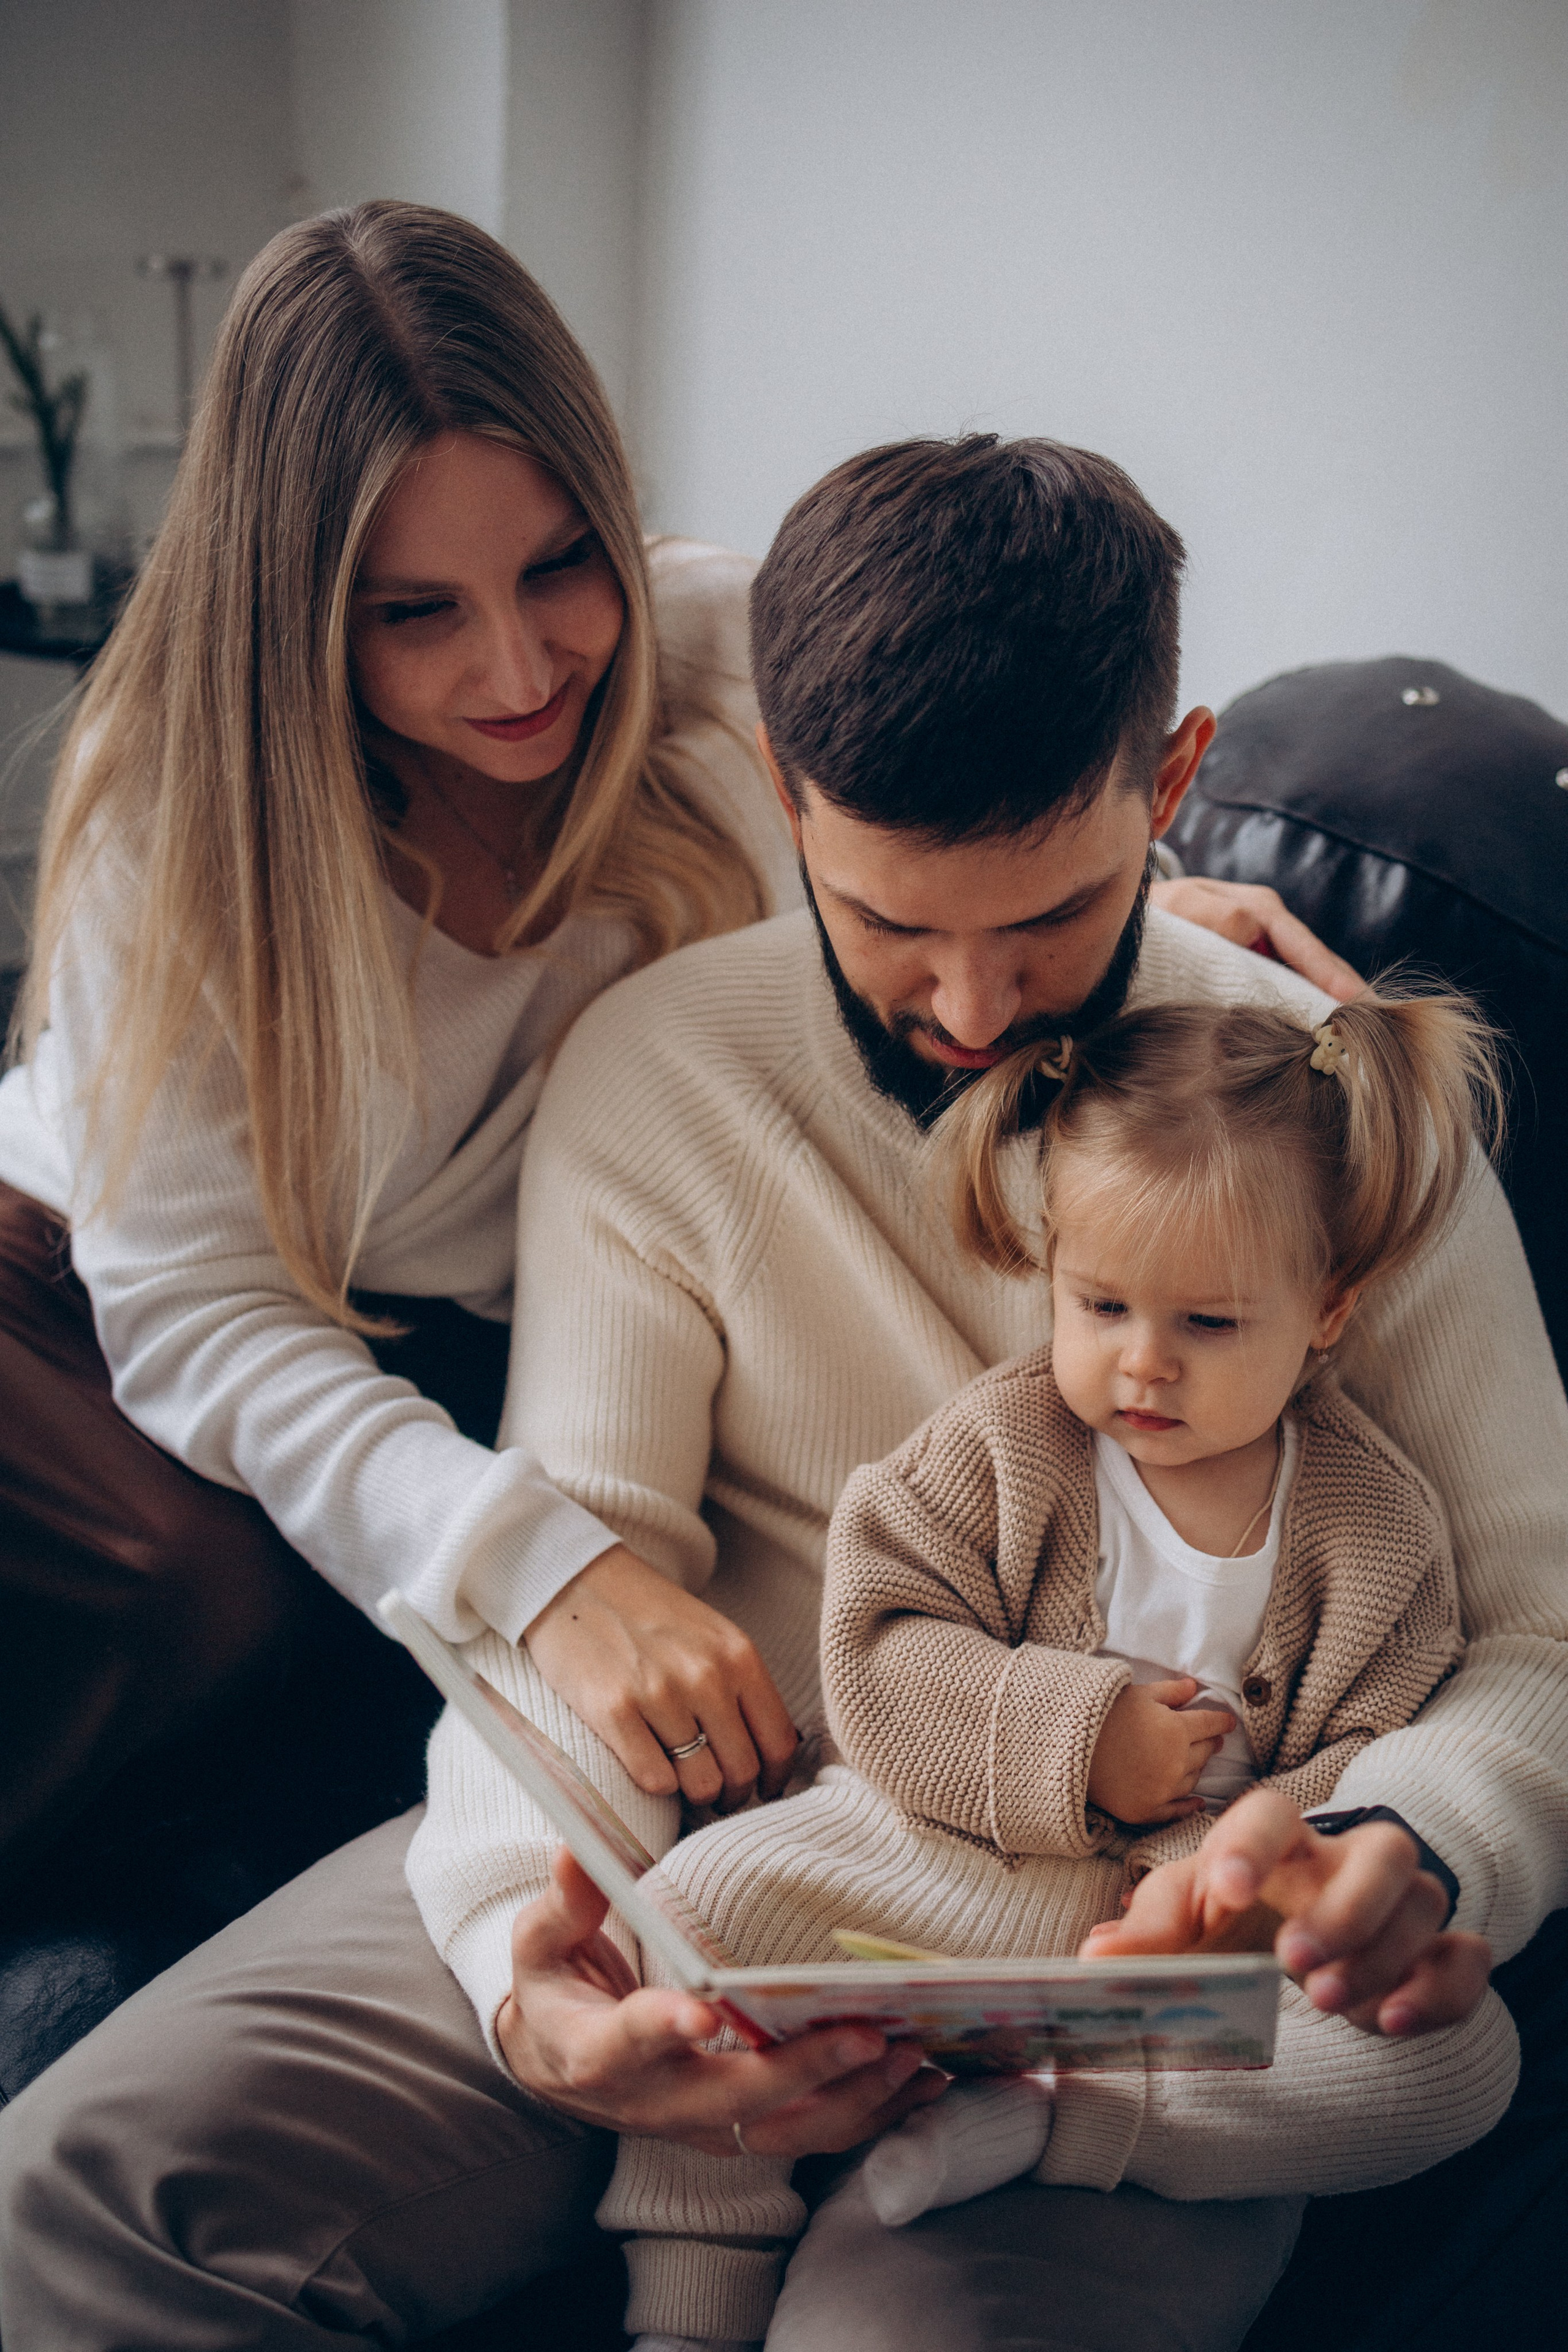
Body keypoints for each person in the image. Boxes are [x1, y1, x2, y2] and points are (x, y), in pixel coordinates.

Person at [2, 435, 1554, 2351]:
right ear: (782, 794)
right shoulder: (658, 1076)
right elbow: (577, 1578)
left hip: (1136, 1970)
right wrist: (523, 1964)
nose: (975, 1010)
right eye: (893, 921)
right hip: (696, 1866)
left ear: (1172, 785)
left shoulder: (1345, 1107)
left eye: (1051, 917)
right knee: (76, 2194)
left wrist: (1407, 1847)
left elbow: (1536, 1632)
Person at [0, 195, 800, 1879]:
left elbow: (982, 839)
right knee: (207, 1613)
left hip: (416, 1325)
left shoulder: (727, 659)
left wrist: (1153, 923)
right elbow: (202, 1300)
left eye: (560, 563)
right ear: (295, 610)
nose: (519, 668)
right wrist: (538, 1568)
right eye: (410, 612)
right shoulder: (177, 800)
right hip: (88, 1293)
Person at [595, 982, 1504, 2350]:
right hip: (950, 1860)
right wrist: (1081, 1740)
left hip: (1158, 1968)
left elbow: (1375, 1746)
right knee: (690, 1914)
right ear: (1049, 1266)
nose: (1141, 1364)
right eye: (1101, 1304)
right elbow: (881, 1648)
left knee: (1459, 2069)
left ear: (1325, 1310)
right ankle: (692, 2293)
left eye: (1207, 1326)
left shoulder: (1374, 1532)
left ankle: (1038, 2127)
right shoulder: (1000, 1447)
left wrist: (1240, 1872)